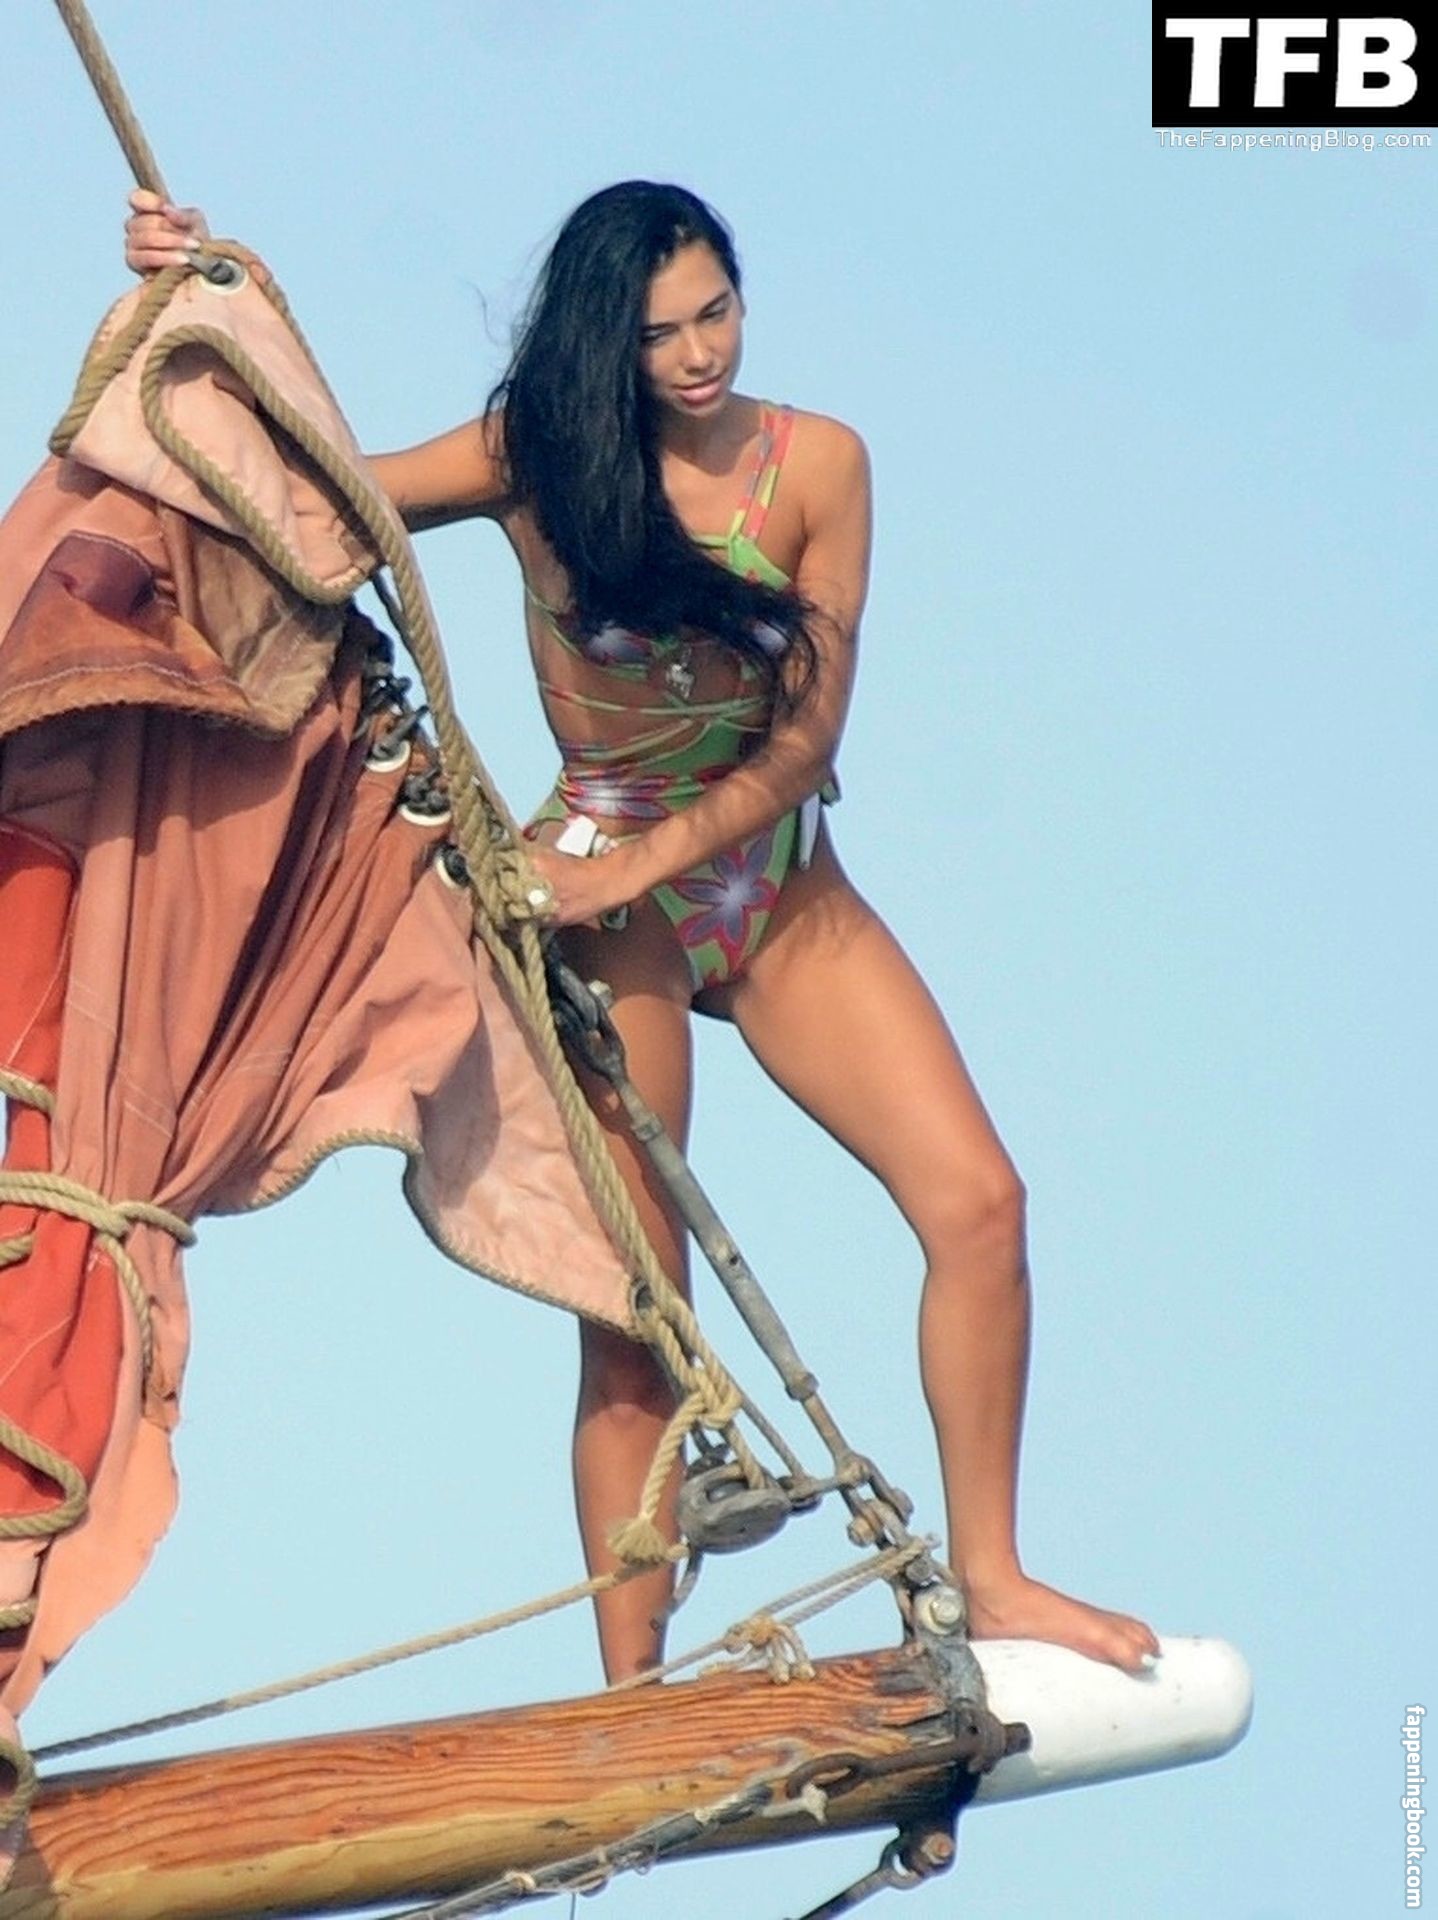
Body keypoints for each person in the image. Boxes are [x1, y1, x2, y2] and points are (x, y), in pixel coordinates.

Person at [125, 180, 1159, 1683]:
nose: (698, 353)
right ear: (601, 343)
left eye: (715, 312)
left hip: (767, 881)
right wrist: (211, 300)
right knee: (636, 1312)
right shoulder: (532, 459)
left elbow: (802, 749)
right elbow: (315, 487)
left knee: (981, 1206)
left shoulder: (818, 465)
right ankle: (634, 1694)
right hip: (608, 908)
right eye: (660, 333)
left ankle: (991, 1575)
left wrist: (638, 870)